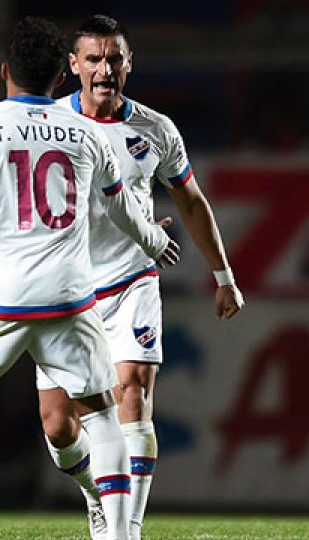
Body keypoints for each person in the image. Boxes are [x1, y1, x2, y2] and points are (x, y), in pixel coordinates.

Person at [0, 16, 181, 540]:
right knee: (102, 417)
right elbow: (124, 209)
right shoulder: (87, 132)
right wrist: (156, 242)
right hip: (68, 298)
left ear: (4, 72)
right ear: (61, 78)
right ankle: (120, 533)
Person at [36, 14, 245, 540]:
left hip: (133, 279)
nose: (104, 69)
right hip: (66, 289)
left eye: (114, 59)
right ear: (73, 66)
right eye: (93, 59)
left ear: (129, 64)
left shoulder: (155, 130)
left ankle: (125, 529)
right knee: (59, 426)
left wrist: (224, 275)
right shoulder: (50, 125)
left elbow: (191, 201)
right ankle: (95, 491)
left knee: (132, 392)